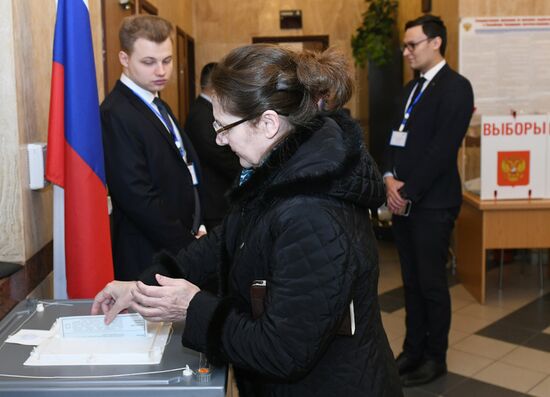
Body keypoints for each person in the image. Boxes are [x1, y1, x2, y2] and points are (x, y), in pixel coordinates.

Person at [92, 44, 403, 397]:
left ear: (268, 124)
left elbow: (283, 350)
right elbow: (221, 243)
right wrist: (141, 289)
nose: (220, 140)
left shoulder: (313, 211)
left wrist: (193, 308)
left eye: (226, 127)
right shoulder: (278, 170)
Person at [383, 15, 474, 386]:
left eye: (412, 44)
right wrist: (388, 177)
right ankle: (412, 350)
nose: (406, 52)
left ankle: (435, 358)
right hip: (404, 200)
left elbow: (441, 151)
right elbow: (392, 138)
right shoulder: (410, 90)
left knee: (432, 285)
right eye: (404, 46)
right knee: (411, 281)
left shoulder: (456, 88)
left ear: (436, 43)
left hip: (433, 204)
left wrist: (405, 192)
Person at [101, 15, 202, 281]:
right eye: (149, 62)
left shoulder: (158, 103)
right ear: (124, 59)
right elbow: (136, 196)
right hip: (147, 253)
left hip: (176, 244)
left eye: (167, 61)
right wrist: (188, 245)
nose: (161, 71)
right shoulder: (115, 113)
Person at [184, 62, 241, 230]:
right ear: (214, 85)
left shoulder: (204, 108)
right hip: (214, 196)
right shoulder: (202, 115)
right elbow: (220, 156)